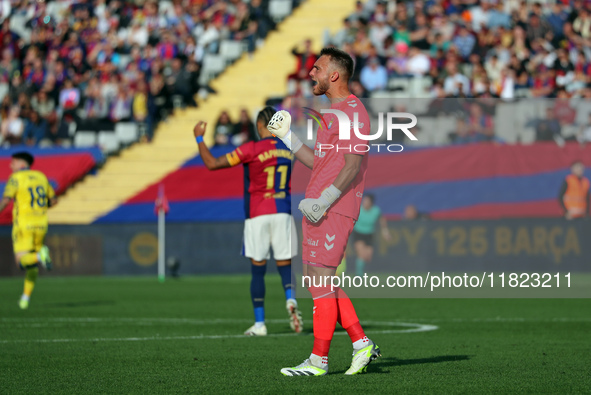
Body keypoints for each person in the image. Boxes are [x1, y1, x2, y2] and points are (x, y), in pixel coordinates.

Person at [268, 47, 381, 376]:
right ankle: (361, 344)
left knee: (319, 280)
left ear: (334, 74)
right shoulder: (333, 113)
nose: (311, 73)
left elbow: (353, 164)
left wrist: (324, 200)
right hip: (319, 206)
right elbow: (320, 163)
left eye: (317, 68)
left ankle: (319, 360)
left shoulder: (353, 111)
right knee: (320, 281)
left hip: (333, 207)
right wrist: (286, 136)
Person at [192, 107, 303, 336]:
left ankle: (260, 324)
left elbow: (212, 164)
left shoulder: (251, 149)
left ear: (261, 125)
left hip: (258, 213)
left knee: (258, 270)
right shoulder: (290, 148)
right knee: (285, 265)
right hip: (283, 210)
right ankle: (291, 299)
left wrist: (199, 137)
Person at [0, 152, 57, 309]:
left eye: (13, 162)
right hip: (41, 224)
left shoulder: (16, 178)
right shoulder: (41, 176)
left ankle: (40, 255)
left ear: (20, 162)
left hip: (24, 224)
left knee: (21, 262)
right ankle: (25, 298)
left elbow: (5, 200)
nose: (10, 166)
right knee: (32, 264)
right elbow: (53, 200)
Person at [351, 194, 390, 277]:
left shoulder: (376, 211)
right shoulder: (358, 209)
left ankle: (360, 271)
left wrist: (385, 232)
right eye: (364, 201)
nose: (365, 203)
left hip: (369, 234)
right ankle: (359, 275)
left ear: (371, 203)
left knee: (368, 257)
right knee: (361, 254)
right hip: (359, 233)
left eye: (367, 201)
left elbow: (382, 220)